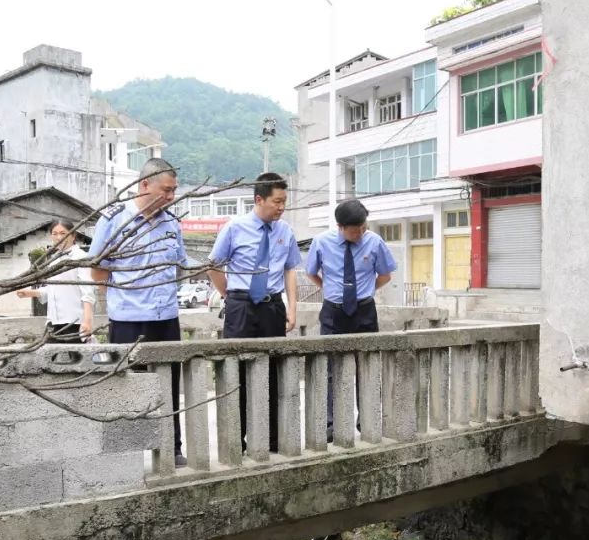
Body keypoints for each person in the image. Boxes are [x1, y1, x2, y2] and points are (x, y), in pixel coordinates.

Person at [89, 157, 187, 462]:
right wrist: (118, 300)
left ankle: (172, 448)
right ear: (144, 185)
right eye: (166, 190)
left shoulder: (172, 223)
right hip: (129, 321)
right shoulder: (114, 219)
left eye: (174, 191)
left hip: (166, 319)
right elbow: (98, 269)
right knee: (126, 388)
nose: (171, 197)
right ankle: (127, 456)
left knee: (168, 387)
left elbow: (179, 265)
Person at [207, 172, 301, 454]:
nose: (281, 207)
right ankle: (237, 439)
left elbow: (290, 269)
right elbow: (213, 265)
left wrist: (292, 308)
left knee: (273, 372)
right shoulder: (235, 227)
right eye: (277, 201)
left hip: (273, 306)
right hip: (242, 306)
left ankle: (271, 438)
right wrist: (229, 295)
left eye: (284, 201)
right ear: (259, 199)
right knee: (238, 372)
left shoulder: (285, 231)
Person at [305, 199, 396, 439]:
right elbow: (311, 272)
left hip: (364, 311)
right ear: (340, 226)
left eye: (363, 227)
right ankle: (330, 425)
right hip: (333, 312)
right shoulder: (321, 242)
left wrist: (363, 292)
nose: (360, 233)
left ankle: (366, 421)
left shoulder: (374, 242)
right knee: (330, 369)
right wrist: (329, 288)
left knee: (367, 365)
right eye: (355, 230)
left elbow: (385, 275)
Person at [16, 219, 96, 343]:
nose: (59, 237)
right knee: (47, 357)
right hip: (53, 321)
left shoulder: (80, 257)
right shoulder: (54, 260)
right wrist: (30, 293)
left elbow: (88, 291)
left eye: (63, 233)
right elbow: (53, 289)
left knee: (76, 359)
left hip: (74, 322)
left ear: (73, 235)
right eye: (55, 233)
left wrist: (87, 321)